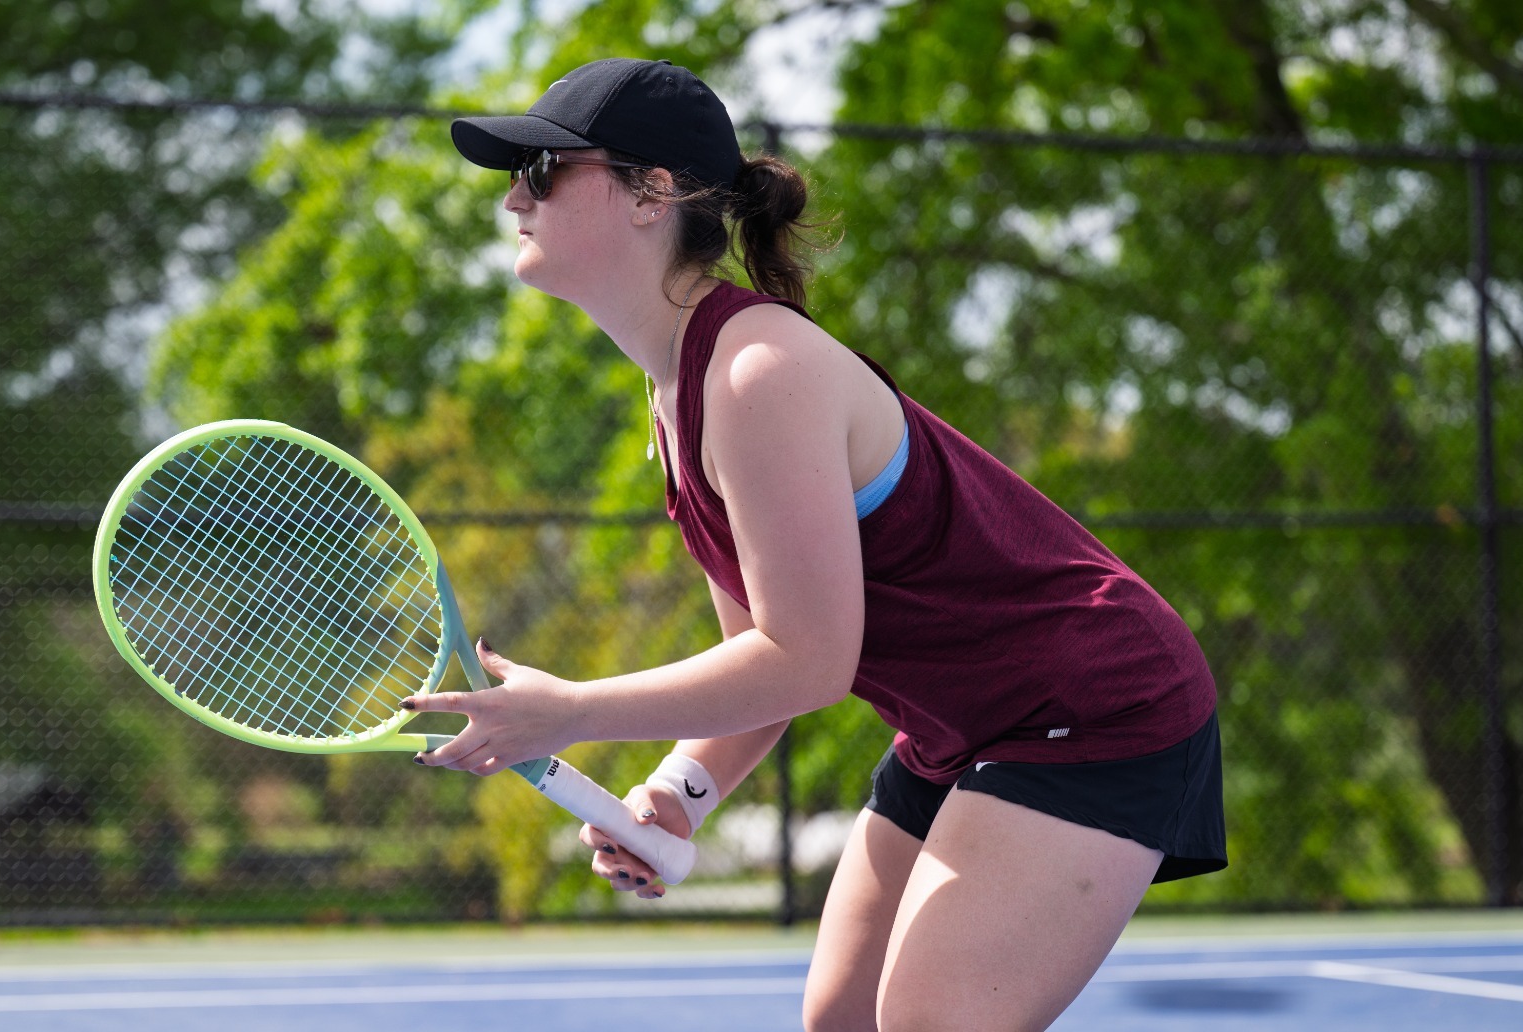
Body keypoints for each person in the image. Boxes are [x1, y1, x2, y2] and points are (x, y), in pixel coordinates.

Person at [408, 57, 1226, 1032]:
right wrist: (677, 791)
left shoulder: (757, 375)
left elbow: (809, 660)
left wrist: (571, 713)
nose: (512, 196)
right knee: (836, 1020)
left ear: (650, 192)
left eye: (540, 169)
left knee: (928, 1021)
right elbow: (758, 659)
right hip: (964, 726)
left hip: (1093, 707)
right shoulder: (678, 398)